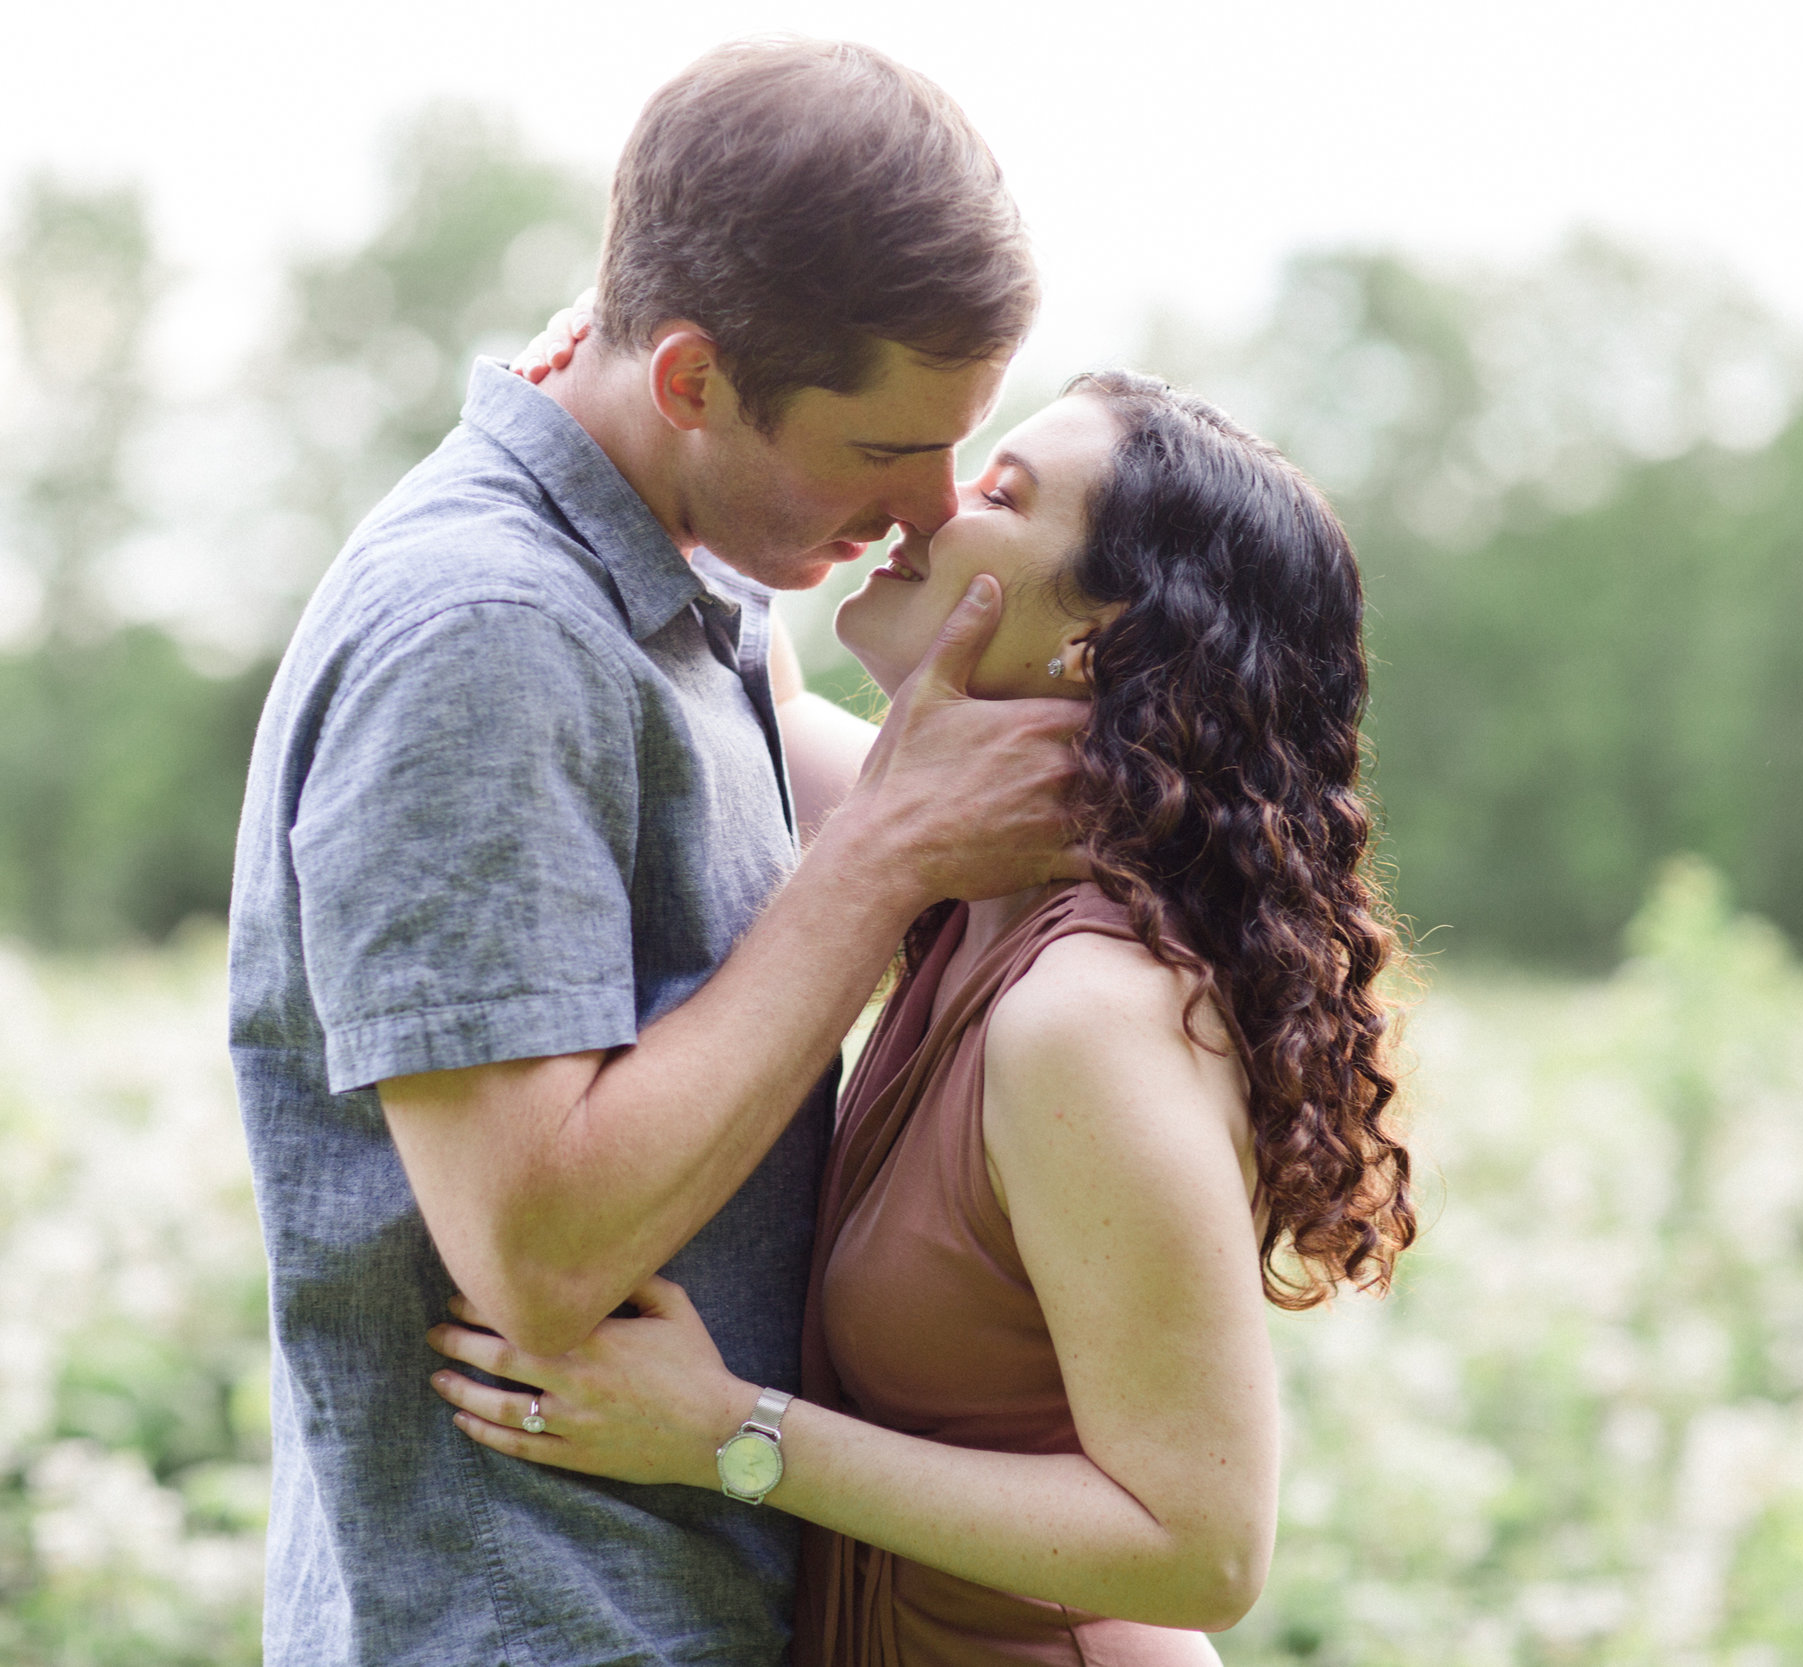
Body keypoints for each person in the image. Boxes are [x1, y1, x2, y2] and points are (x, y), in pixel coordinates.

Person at [228, 38, 1085, 1667]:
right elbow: (537, 1257)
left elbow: (909, 815)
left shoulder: (675, 577)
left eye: (957, 448)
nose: (927, 513)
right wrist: (882, 862)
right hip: (534, 1623)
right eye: (884, 449)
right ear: (688, 378)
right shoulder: (484, 636)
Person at [422, 373, 1419, 1665]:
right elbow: (755, 700)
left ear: (1095, 644)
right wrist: (651, 390)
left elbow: (1205, 1545)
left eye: (998, 494)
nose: (929, 507)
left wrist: (732, 1434)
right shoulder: (960, 880)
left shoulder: (1083, 1015)